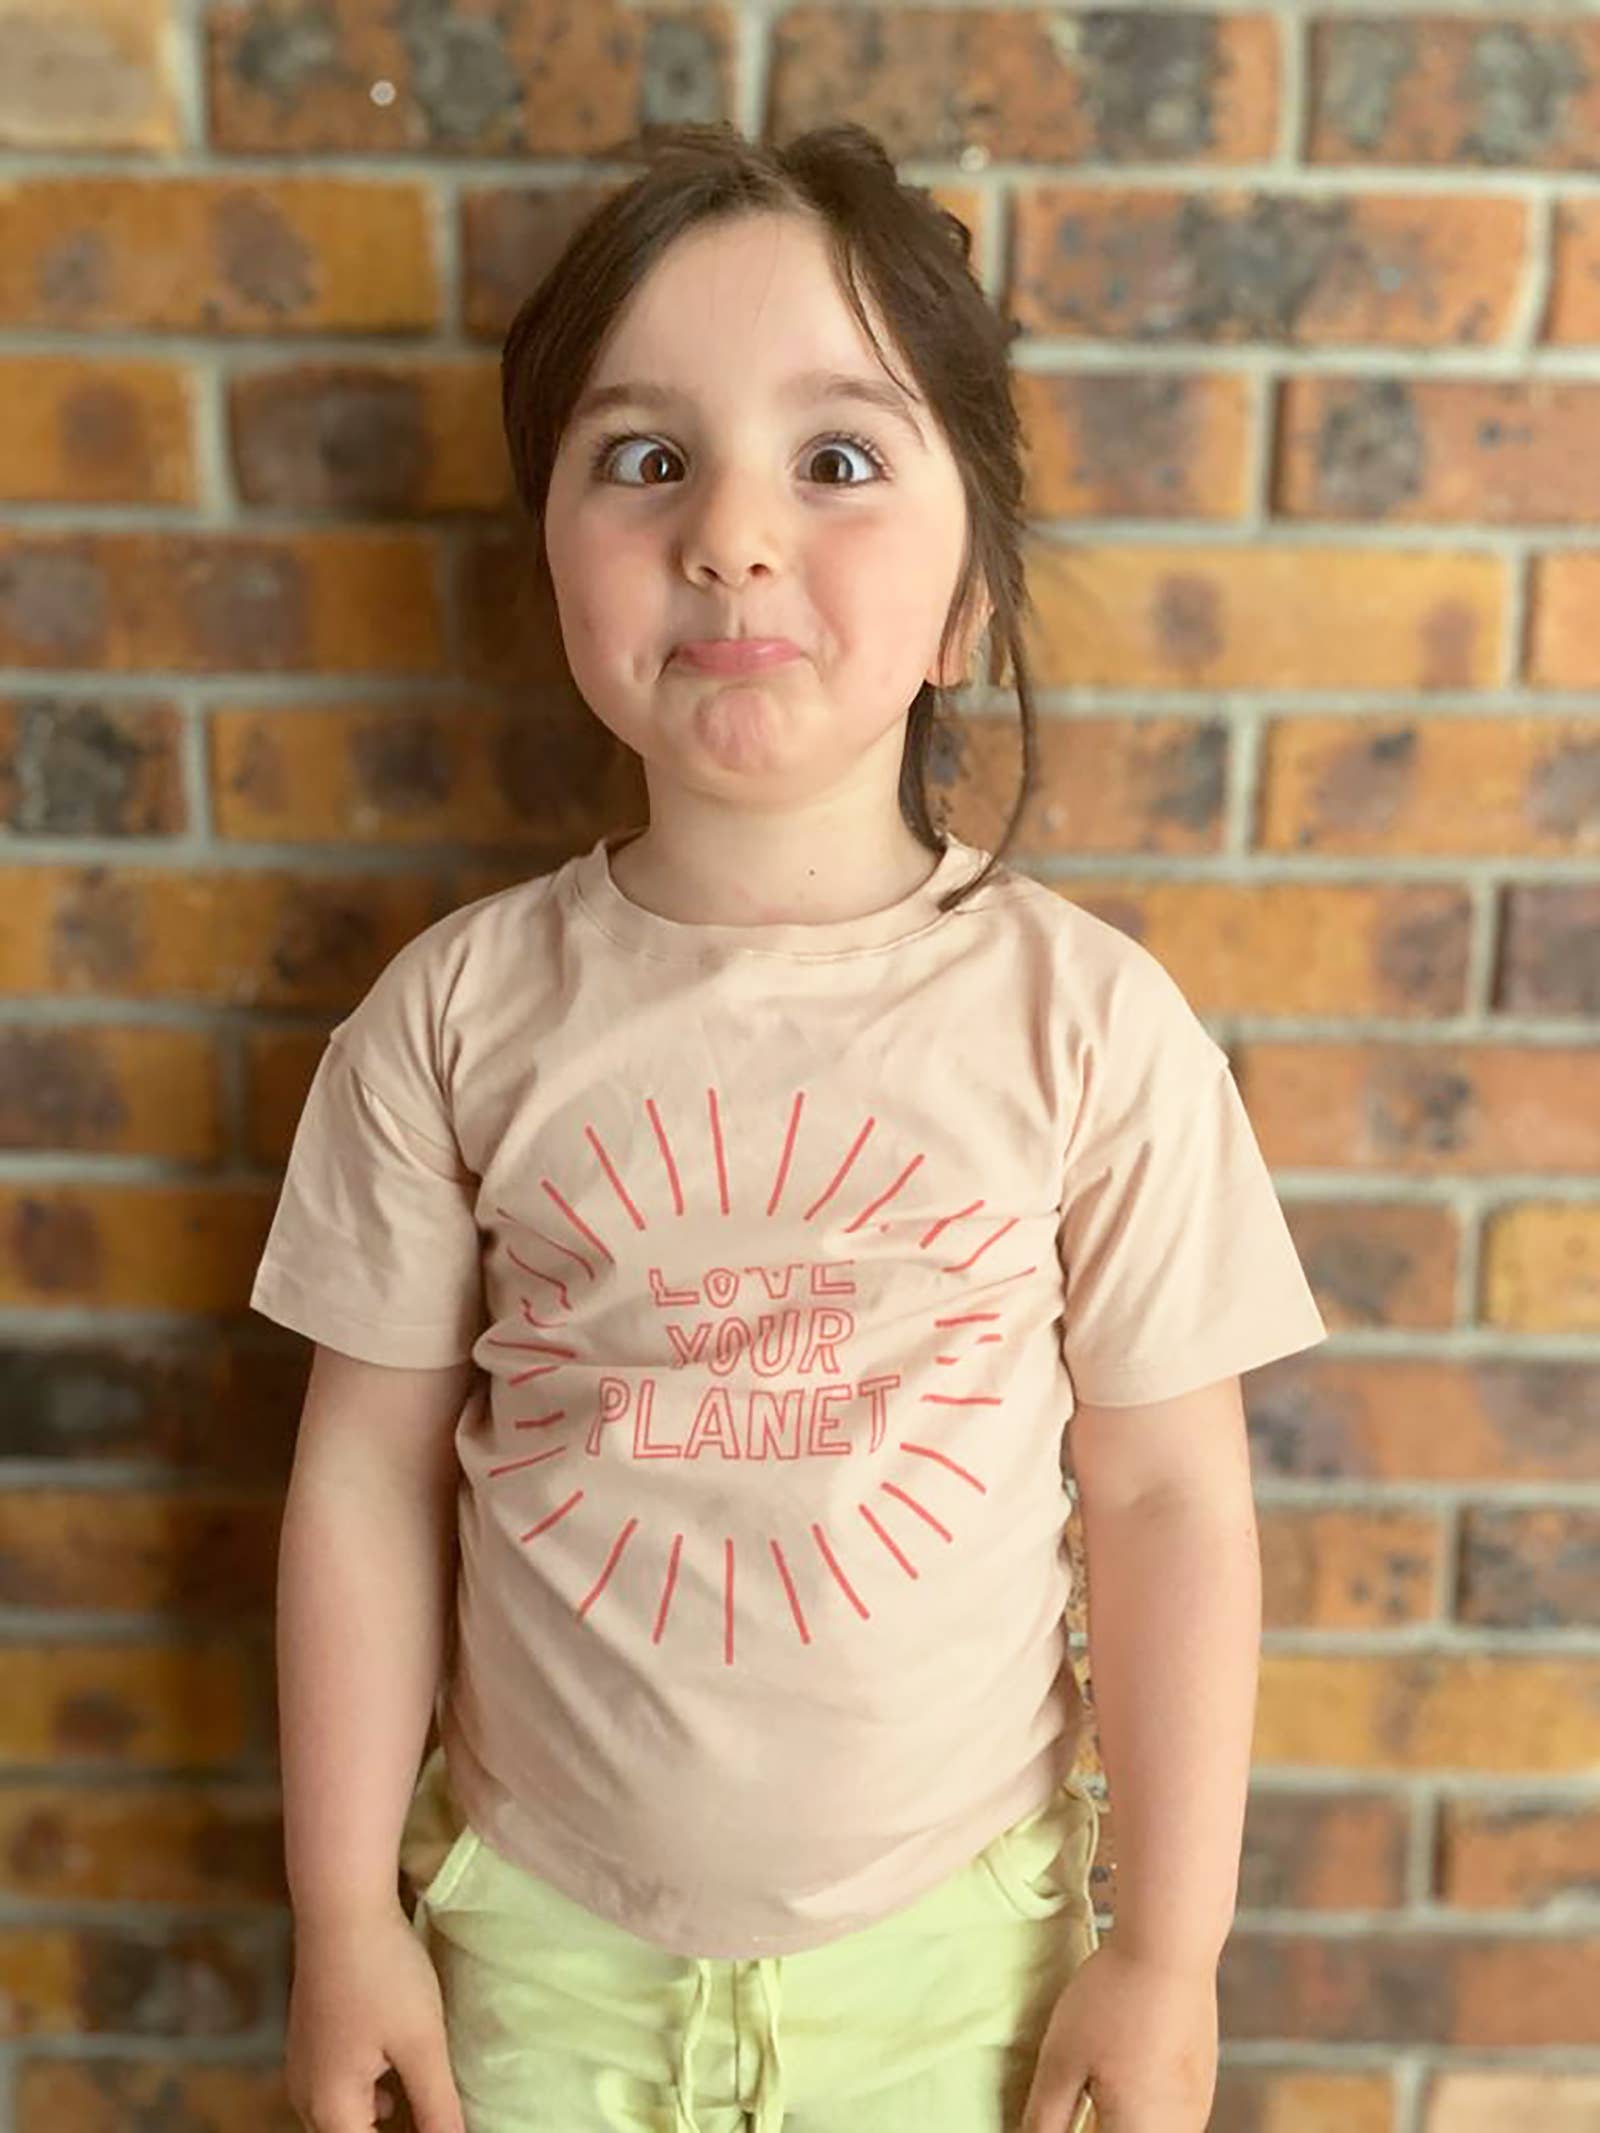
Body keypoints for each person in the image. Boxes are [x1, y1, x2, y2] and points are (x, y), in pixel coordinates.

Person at [252, 120, 1329, 2133]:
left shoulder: (1087, 1027)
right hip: (537, 1962)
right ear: (553, 560)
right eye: (645, 457)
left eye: (833, 459)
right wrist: (341, 1912)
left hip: (960, 1975)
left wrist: (1166, 1951)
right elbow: (362, 1478)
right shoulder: (450, 1020)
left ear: (964, 602)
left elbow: (1171, 1500)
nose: (730, 532)